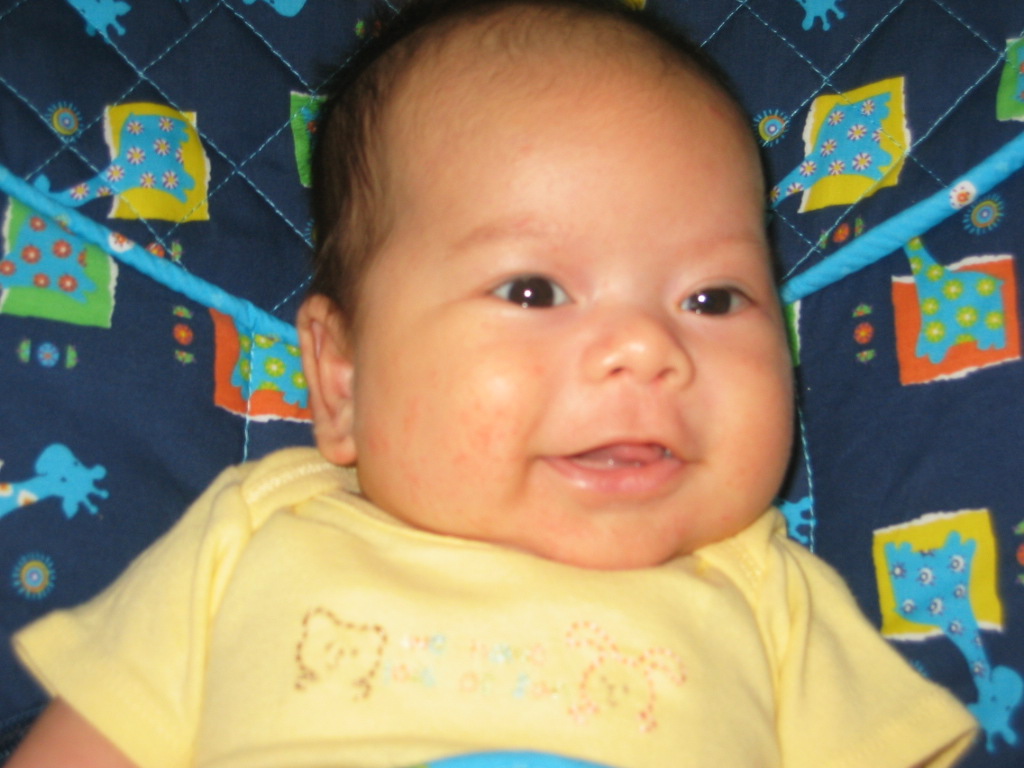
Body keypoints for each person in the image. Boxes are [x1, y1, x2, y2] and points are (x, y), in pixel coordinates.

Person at [9, 1, 977, 767]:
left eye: (712, 299)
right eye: (533, 291)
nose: (645, 348)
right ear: (340, 378)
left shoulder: (770, 595)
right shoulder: (251, 535)